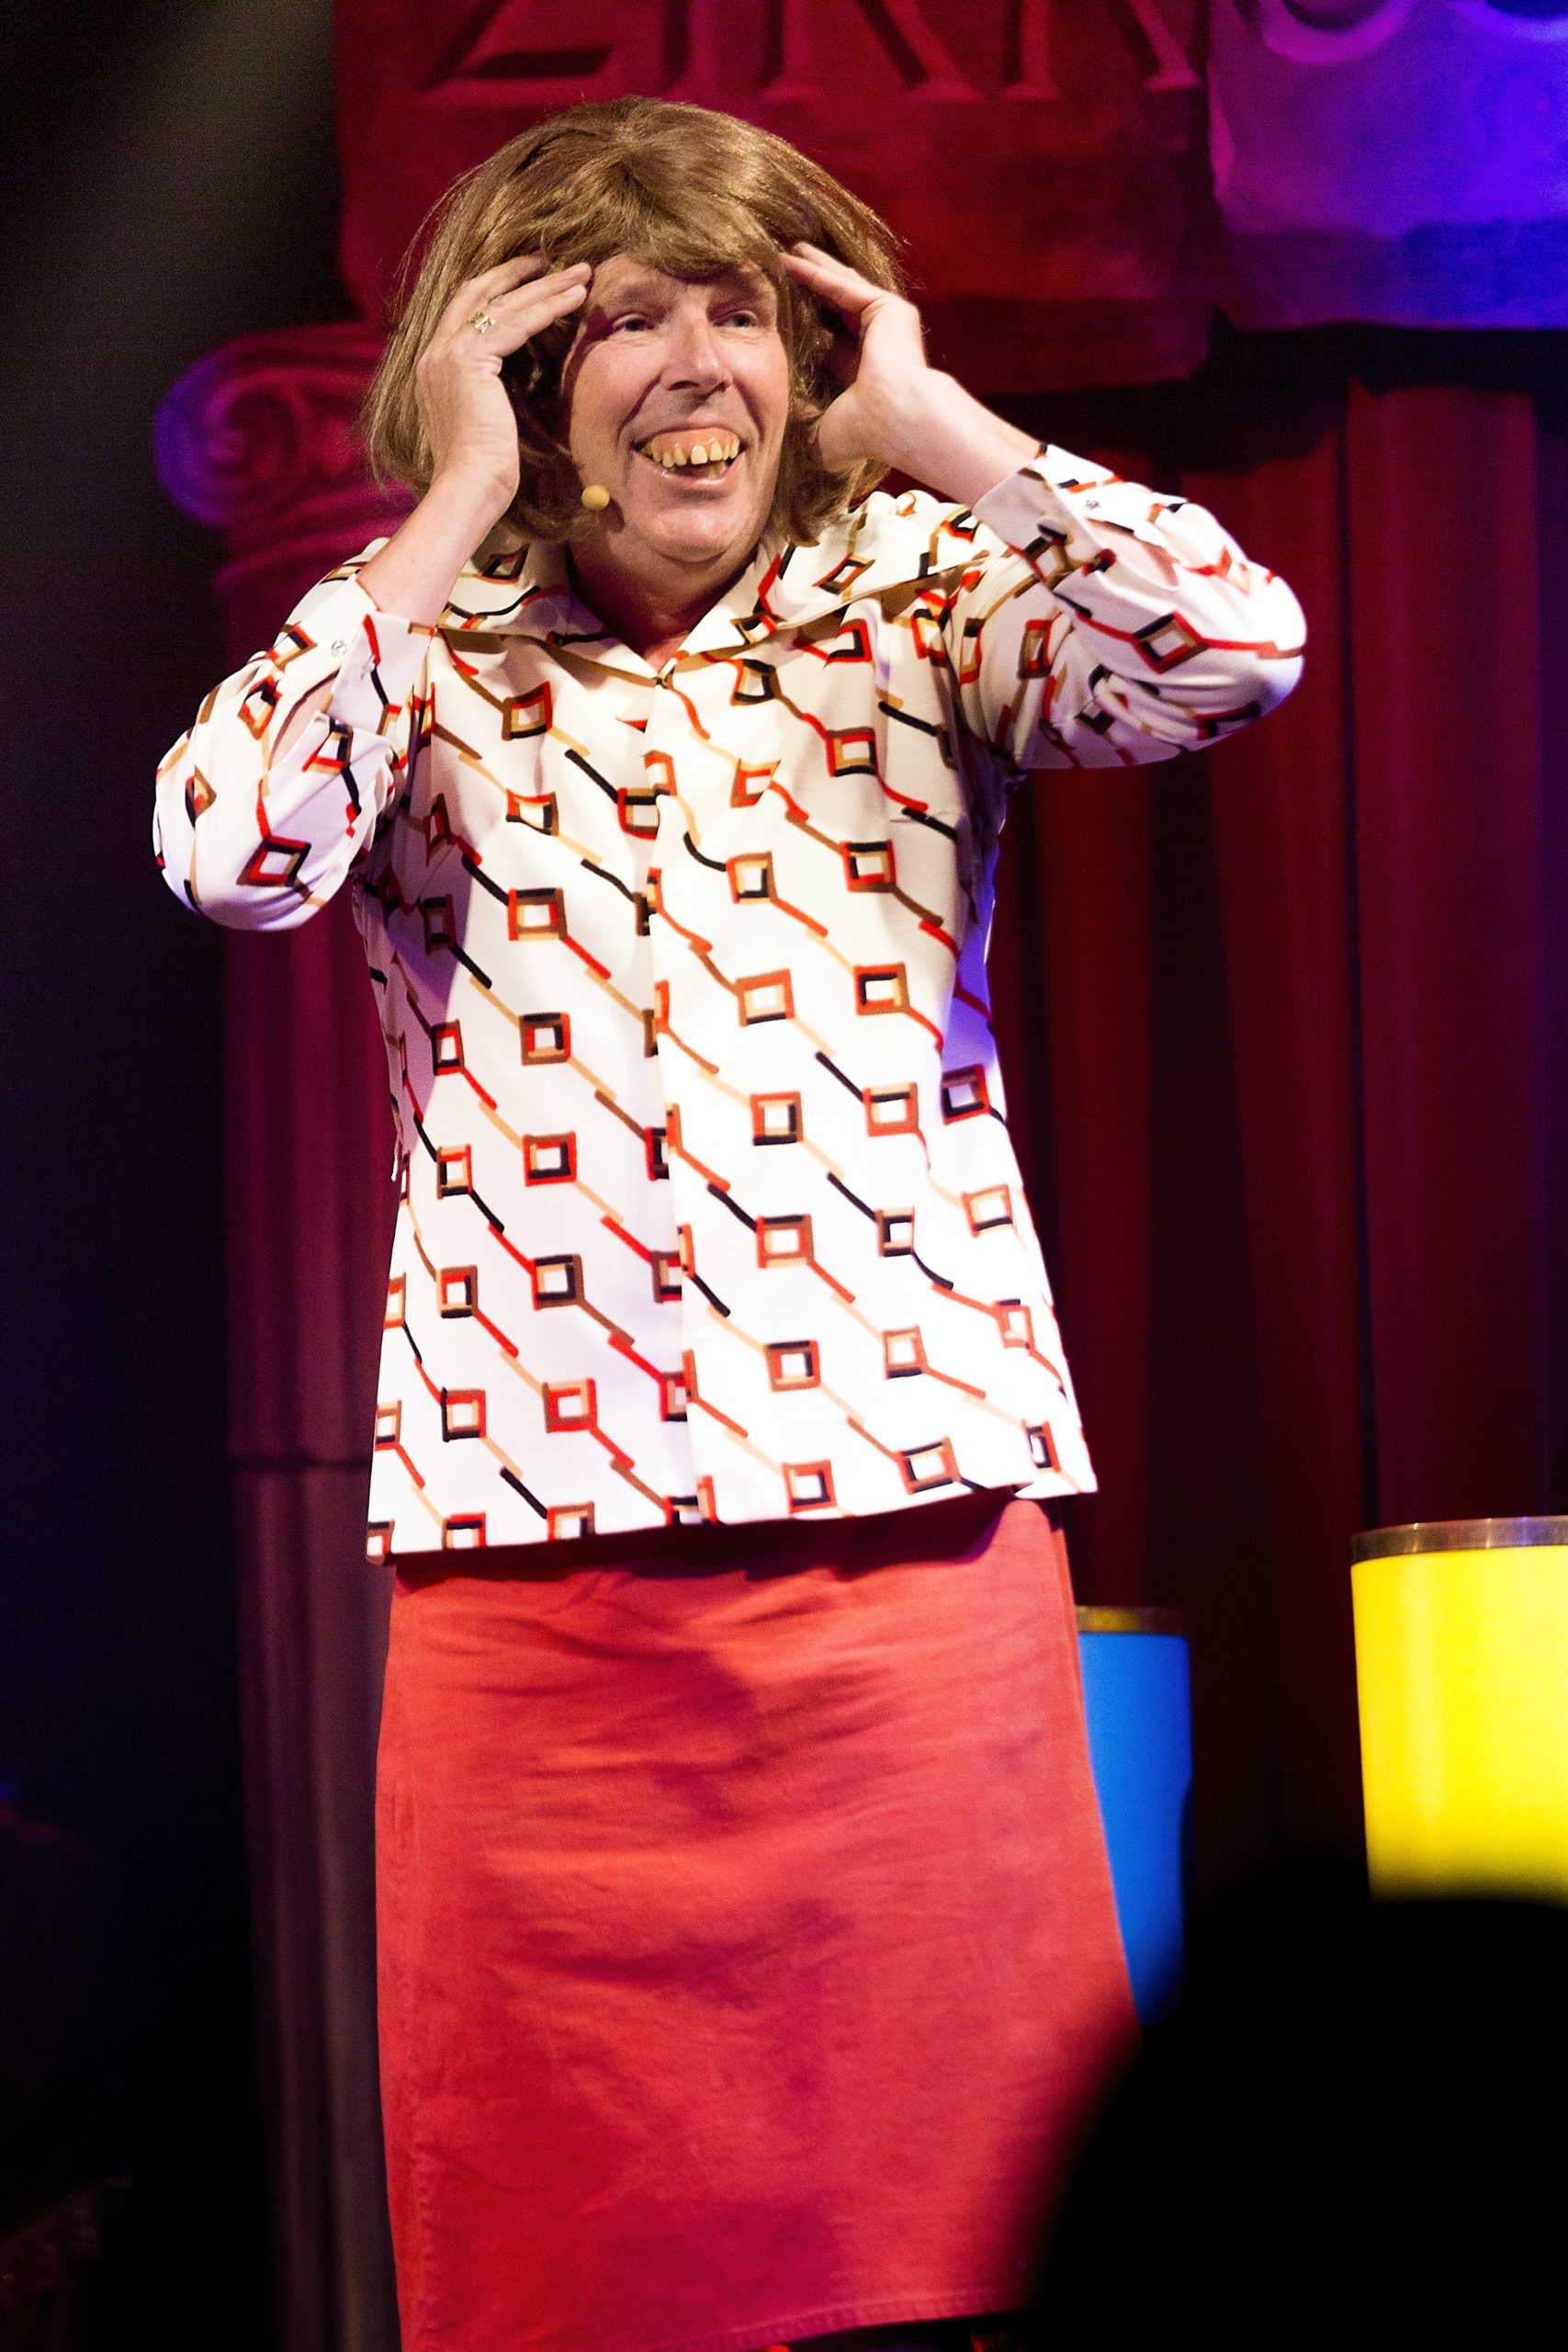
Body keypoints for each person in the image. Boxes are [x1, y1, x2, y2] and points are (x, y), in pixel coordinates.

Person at [153, 96, 1303, 2352]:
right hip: (541, 1584)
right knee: (564, 2252)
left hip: (908, 1552)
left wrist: (938, 427)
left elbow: (1231, 647)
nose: (696, 367)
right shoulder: (416, 651)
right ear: (519, 378)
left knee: (965, 2236)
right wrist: (440, 513)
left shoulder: (924, 604)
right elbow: (230, 851)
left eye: (743, 314)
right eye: (623, 322)